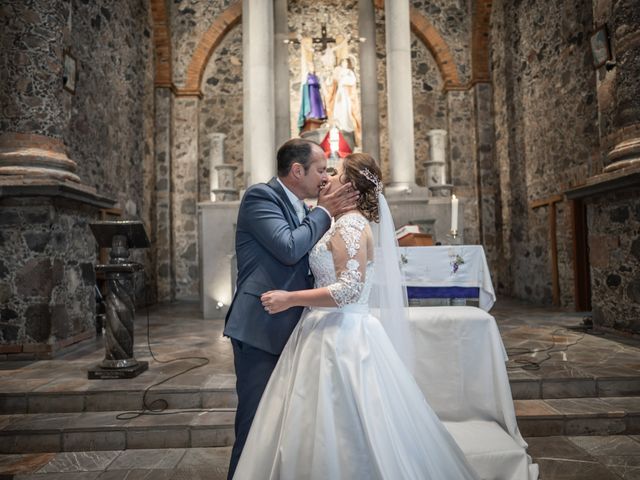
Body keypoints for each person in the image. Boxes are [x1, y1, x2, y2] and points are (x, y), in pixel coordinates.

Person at [232, 153, 479, 480]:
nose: (325, 177)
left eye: (331, 172)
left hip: (341, 334)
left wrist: (291, 299)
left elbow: (348, 289)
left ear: (347, 187)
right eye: (322, 170)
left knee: (344, 421)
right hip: (316, 329)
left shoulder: (350, 226)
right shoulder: (329, 219)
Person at [223, 138, 360, 480]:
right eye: (320, 169)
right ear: (297, 170)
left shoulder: (304, 206)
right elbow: (288, 248)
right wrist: (325, 212)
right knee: (255, 426)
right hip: (262, 328)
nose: (325, 178)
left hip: (298, 328)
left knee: (282, 428)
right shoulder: (261, 197)